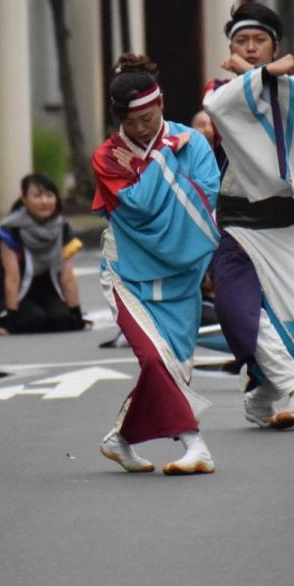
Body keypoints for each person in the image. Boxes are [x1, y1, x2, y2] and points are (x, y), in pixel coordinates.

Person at [202, 2, 294, 430]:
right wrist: (254, 76)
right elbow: (221, 107)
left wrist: (270, 77)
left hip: (288, 221)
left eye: (259, 42)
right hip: (236, 223)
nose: (251, 48)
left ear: (276, 47)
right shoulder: (220, 91)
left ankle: (261, 393)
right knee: (239, 310)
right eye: (242, 42)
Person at [93, 54, 220, 475]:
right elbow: (138, 206)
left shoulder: (193, 141)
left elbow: (206, 201)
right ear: (118, 119)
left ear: (162, 103)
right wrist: (164, 159)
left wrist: (152, 167)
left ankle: (121, 438)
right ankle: (196, 444)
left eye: (149, 118)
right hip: (129, 276)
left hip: (183, 275)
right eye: (133, 123)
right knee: (153, 360)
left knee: (170, 366)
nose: (143, 129)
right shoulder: (108, 157)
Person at [0, 173, 85, 335]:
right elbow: (12, 278)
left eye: (49, 195)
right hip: (14, 292)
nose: (45, 201)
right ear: (24, 199)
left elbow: (67, 276)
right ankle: (1, 321)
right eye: (37, 196)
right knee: (33, 320)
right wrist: (12, 321)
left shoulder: (62, 228)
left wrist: (77, 314)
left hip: (46, 289)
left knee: (63, 320)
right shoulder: (11, 229)